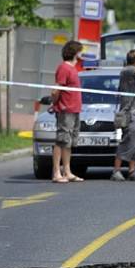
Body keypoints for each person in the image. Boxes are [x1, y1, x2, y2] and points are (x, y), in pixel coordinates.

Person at [111, 50, 135, 182]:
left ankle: (132, 170)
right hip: (130, 113)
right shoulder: (127, 70)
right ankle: (116, 171)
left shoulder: (133, 72)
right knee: (127, 141)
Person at [50, 40, 85, 184]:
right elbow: (56, 89)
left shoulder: (74, 69)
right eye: (80, 51)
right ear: (75, 52)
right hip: (66, 109)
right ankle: (56, 172)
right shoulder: (64, 68)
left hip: (75, 109)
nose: (81, 54)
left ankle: (67, 171)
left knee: (69, 142)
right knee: (61, 140)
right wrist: (55, 104)